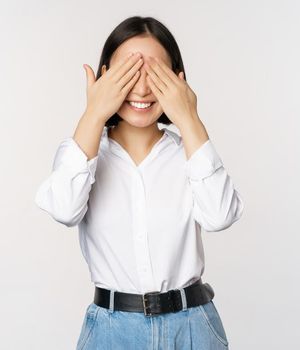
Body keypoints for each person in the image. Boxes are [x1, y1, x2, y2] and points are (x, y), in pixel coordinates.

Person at [34, 16, 244, 349]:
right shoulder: (83, 153)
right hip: (111, 330)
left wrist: (189, 118)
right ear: (105, 77)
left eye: (155, 75)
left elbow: (221, 216)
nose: (142, 88)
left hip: (192, 327)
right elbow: (63, 209)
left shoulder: (189, 153)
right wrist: (93, 113)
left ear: (178, 80)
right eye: (128, 73)